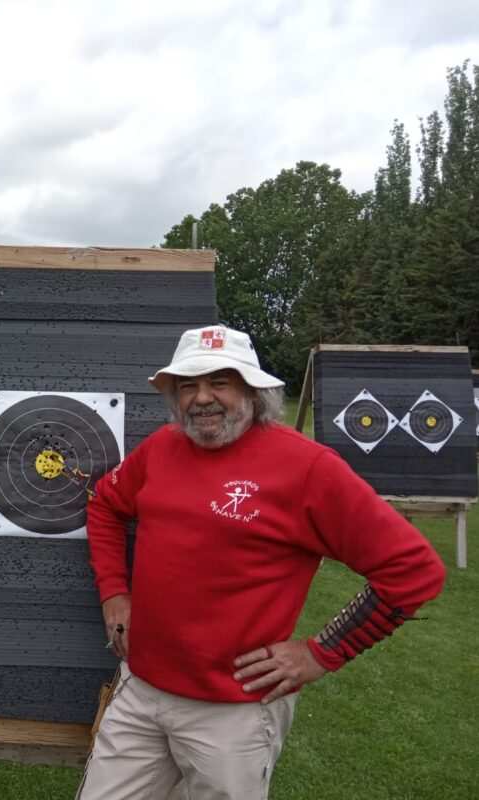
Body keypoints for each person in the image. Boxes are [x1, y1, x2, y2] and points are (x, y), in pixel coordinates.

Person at [77, 324, 446, 800]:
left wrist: (320, 652)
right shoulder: (161, 448)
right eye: (188, 385)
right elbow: (105, 503)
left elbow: (415, 572)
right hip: (141, 689)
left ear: (253, 390)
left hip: (233, 713)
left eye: (220, 382)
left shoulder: (309, 468)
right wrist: (114, 590)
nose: (202, 398)